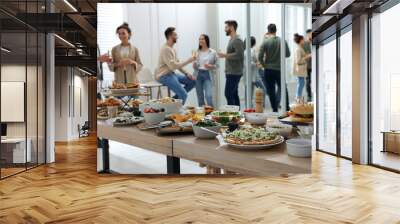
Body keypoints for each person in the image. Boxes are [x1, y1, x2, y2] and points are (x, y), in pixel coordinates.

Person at [156, 27, 196, 104]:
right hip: (164, 76)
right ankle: (177, 113)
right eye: (175, 35)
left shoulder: (172, 49)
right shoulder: (166, 49)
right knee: (184, 95)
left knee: (193, 81)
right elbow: (173, 67)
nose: (177, 37)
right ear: (170, 36)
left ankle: (171, 102)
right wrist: (189, 60)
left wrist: (187, 73)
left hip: (171, 74)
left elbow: (177, 64)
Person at [258, 23, 290, 112]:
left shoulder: (265, 42)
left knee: (271, 90)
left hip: (268, 70)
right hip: (279, 69)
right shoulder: (282, 41)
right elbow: (288, 54)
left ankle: (274, 109)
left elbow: (259, 57)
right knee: (283, 88)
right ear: (276, 30)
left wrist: (265, 66)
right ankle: (287, 108)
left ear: (268, 31)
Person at [217, 20, 244, 107]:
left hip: (234, 73)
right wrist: (224, 55)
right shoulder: (232, 39)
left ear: (231, 27)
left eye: (226, 27)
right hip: (231, 72)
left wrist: (224, 55)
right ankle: (237, 115)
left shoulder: (237, 40)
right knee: (234, 94)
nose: (225, 29)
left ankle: (232, 115)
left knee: (228, 94)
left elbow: (239, 55)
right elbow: (233, 54)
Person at [193, 34, 217, 107]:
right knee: (200, 98)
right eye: (199, 39)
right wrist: (195, 66)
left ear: (206, 40)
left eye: (202, 39)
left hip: (208, 74)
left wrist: (211, 66)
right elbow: (196, 65)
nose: (200, 40)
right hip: (198, 74)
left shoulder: (213, 52)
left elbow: (217, 65)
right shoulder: (196, 52)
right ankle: (202, 116)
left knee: (209, 96)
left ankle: (212, 114)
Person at [244, 36, 265, 107]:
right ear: (254, 43)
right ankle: (259, 106)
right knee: (263, 89)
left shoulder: (247, 51)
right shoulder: (250, 51)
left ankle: (250, 107)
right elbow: (248, 63)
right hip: (253, 76)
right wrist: (256, 63)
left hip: (251, 75)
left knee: (249, 93)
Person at [293, 34, 311, 99]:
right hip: (300, 70)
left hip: (301, 70)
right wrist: (307, 57)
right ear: (300, 40)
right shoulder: (298, 49)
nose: (304, 41)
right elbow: (298, 61)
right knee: (301, 84)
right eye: (303, 40)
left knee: (301, 83)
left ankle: (298, 97)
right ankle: (298, 97)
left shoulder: (300, 48)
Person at [304, 29, 312, 102]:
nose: (310, 35)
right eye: (309, 34)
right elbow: (303, 56)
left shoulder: (314, 42)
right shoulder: (304, 44)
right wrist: (309, 55)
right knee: (308, 81)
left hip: (314, 65)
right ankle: (309, 96)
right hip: (307, 66)